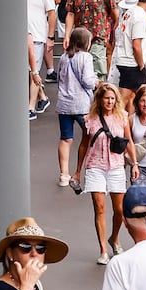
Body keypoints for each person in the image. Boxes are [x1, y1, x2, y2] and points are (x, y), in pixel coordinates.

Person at [75, 83, 140, 264]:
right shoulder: (90, 119)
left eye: (112, 98)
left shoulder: (122, 117)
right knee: (100, 208)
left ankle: (114, 238)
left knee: (119, 210)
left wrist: (134, 163)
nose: (110, 101)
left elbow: (129, 142)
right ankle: (103, 249)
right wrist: (77, 171)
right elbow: (83, 145)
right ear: (100, 99)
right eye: (106, 98)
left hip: (116, 166)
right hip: (95, 166)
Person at [56, 28, 98, 187]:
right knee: (90, 135)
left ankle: (63, 174)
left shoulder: (63, 57)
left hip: (64, 103)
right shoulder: (86, 57)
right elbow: (87, 81)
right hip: (82, 105)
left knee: (65, 139)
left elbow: (60, 77)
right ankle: (89, 169)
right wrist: (96, 81)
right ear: (85, 43)